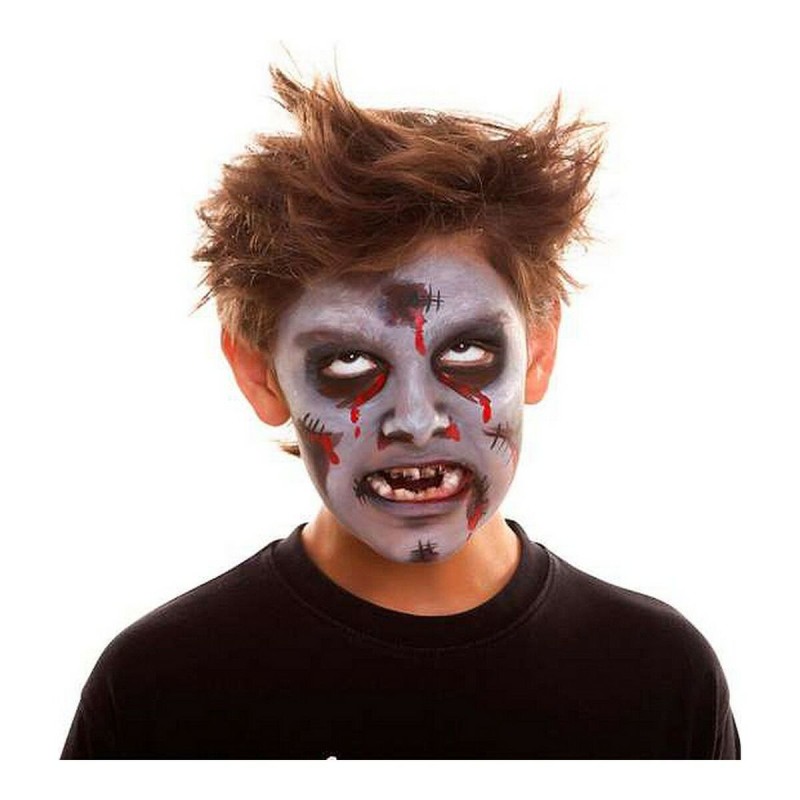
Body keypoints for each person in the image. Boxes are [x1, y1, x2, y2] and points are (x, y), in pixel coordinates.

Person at [61, 68, 740, 759]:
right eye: (349, 363)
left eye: (468, 350)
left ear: (539, 350)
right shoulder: (159, 690)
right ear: (260, 376)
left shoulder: (659, 677)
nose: (415, 420)